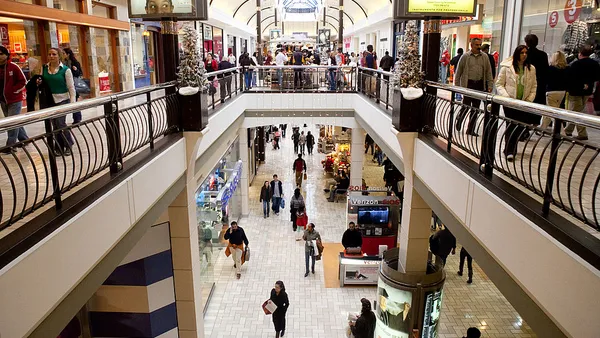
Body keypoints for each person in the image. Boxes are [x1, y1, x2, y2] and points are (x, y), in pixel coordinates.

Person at [496, 45, 538, 162]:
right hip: (509, 103)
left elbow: (534, 85)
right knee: (511, 125)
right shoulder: (507, 67)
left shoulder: (531, 69)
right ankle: (509, 150)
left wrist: (529, 99)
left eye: (526, 53)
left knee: (519, 126)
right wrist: (506, 97)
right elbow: (499, 84)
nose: (524, 55)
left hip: (523, 103)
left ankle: (511, 148)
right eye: (522, 53)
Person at [454, 38, 494, 136]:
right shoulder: (465, 57)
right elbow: (458, 72)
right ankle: (460, 120)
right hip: (468, 85)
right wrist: (457, 87)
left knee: (475, 108)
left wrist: (490, 85)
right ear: (471, 45)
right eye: (476, 45)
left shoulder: (484, 57)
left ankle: (470, 129)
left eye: (480, 44)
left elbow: (489, 71)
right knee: (466, 106)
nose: (479, 46)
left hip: (479, 85)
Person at [43, 47, 76, 156]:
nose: (51, 56)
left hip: (63, 99)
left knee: (60, 123)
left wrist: (72, 103)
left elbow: (71, 87)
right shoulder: (44, 68)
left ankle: (69, 144)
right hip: (49, 101)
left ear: (59, 56)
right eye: (49, 54)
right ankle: (59, 146)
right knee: (55, 125)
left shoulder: (65, 70)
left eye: (54, 54)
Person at [564, 44, 600, 140]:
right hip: (587, 91)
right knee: (578, 110)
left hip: (575, 91)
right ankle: (568, 130)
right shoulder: (595, 64)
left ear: (580, 53)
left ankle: (581, 133)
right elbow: (597, 77)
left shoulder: (576, 64)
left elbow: (570, 78)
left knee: (576, 112)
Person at [0, 45, 28, 154]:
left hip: (15, 100)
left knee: (11, 123)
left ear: (6, 55)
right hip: (3, 100)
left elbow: (23, 81)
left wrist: (14, 90)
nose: (0, 56)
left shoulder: (13, 67)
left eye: (1, 54)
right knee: (13, 121)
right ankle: (24, 139)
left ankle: (11, 145)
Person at [543, 51, 569, 130]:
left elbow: (546, 80)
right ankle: (542, 128)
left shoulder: (550, 68)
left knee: (552, 113)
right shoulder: (567, 69)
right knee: (551, 110)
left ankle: (560, 131)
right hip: (562, 92)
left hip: (551, 92)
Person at [524, 34, 549, 108]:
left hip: (527, 85)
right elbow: (546, 71)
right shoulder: (543, 55)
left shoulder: (525, 55)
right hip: (540, 86)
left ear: (526, 43)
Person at [63, 48, 83, 124]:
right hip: (66, 84)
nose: (63, 55)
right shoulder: (63, 63)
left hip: (74, 84)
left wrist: (75, 70)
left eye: (64, 53)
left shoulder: (74, 62)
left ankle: (77, 118)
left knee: (74, 101)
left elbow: (79, 73)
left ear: (68, 54)